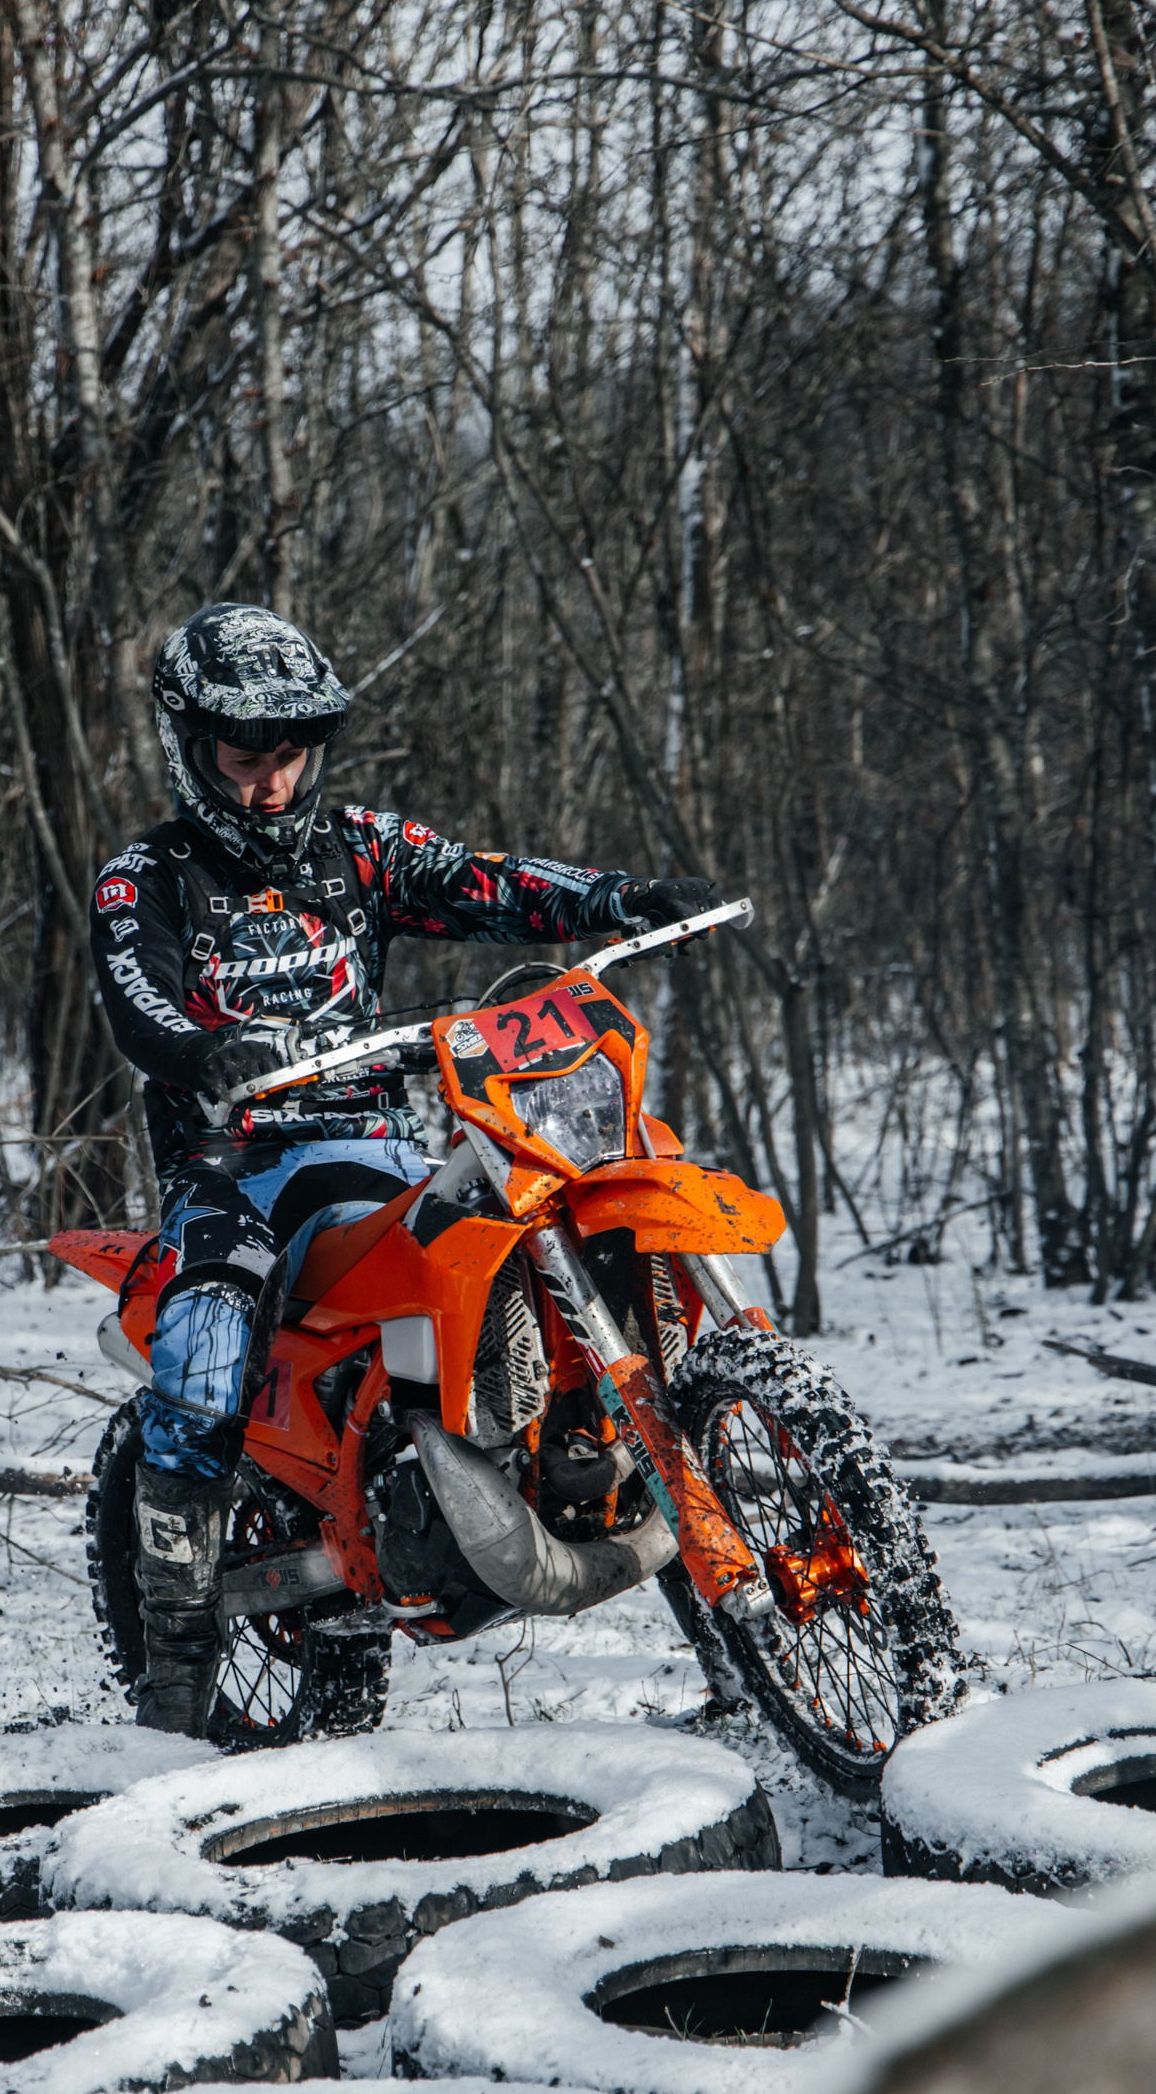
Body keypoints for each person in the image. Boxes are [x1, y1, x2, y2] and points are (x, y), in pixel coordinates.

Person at [90, 600, 721, 1734]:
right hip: (234, 1168)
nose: (272, 782)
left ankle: (700, 1611)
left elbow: (492, 880)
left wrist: (621, 897)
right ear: (189, 745)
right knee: (203, 1347)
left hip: (373, 1151)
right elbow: (138, 997)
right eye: (244, 756)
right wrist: (199, 1048)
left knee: (528, 1243)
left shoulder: (363, 847)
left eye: (292, 753)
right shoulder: (146, 877)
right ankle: (174, 1680)